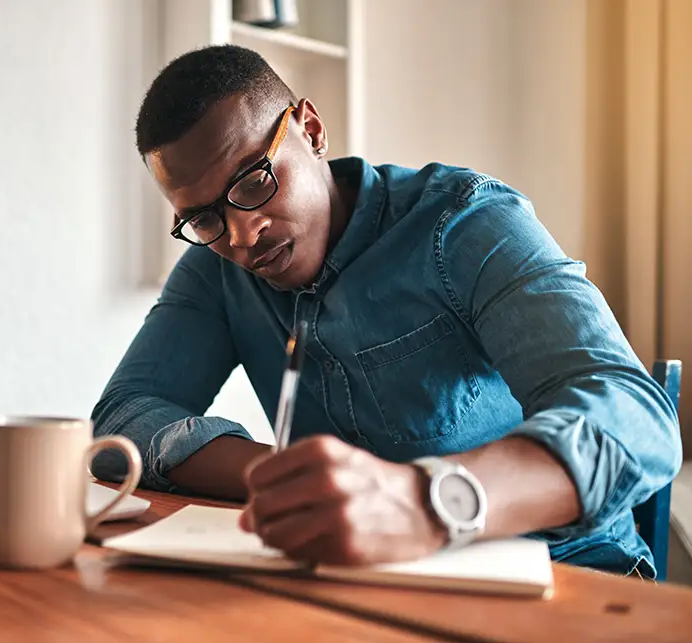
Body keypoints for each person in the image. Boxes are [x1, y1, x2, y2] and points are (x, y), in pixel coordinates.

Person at [90, 44, 680, 578]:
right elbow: (122, 415)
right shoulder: (217, 269)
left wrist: (424, 502)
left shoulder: (465, 224)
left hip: (560, 572)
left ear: (311, 129)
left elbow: (637, 420)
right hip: (364, 582)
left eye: (253, 180)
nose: (242, 235)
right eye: (204, 217)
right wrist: (287, 479)